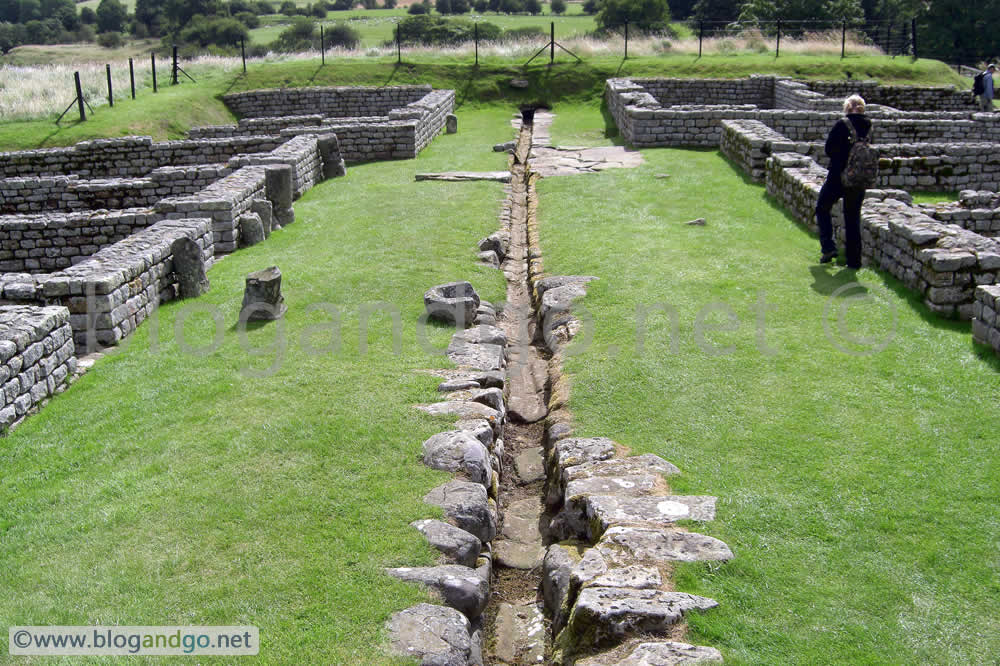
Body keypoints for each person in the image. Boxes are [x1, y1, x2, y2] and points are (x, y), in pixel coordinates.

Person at [816, 94, 871, 270]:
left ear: (847, 108)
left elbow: (829, 148)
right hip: (859, 179)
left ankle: (828, 247)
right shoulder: (869, 126)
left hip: (838, 177)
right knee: (852, 218)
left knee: (822, 207)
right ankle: (854, 262)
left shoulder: (842, 124)